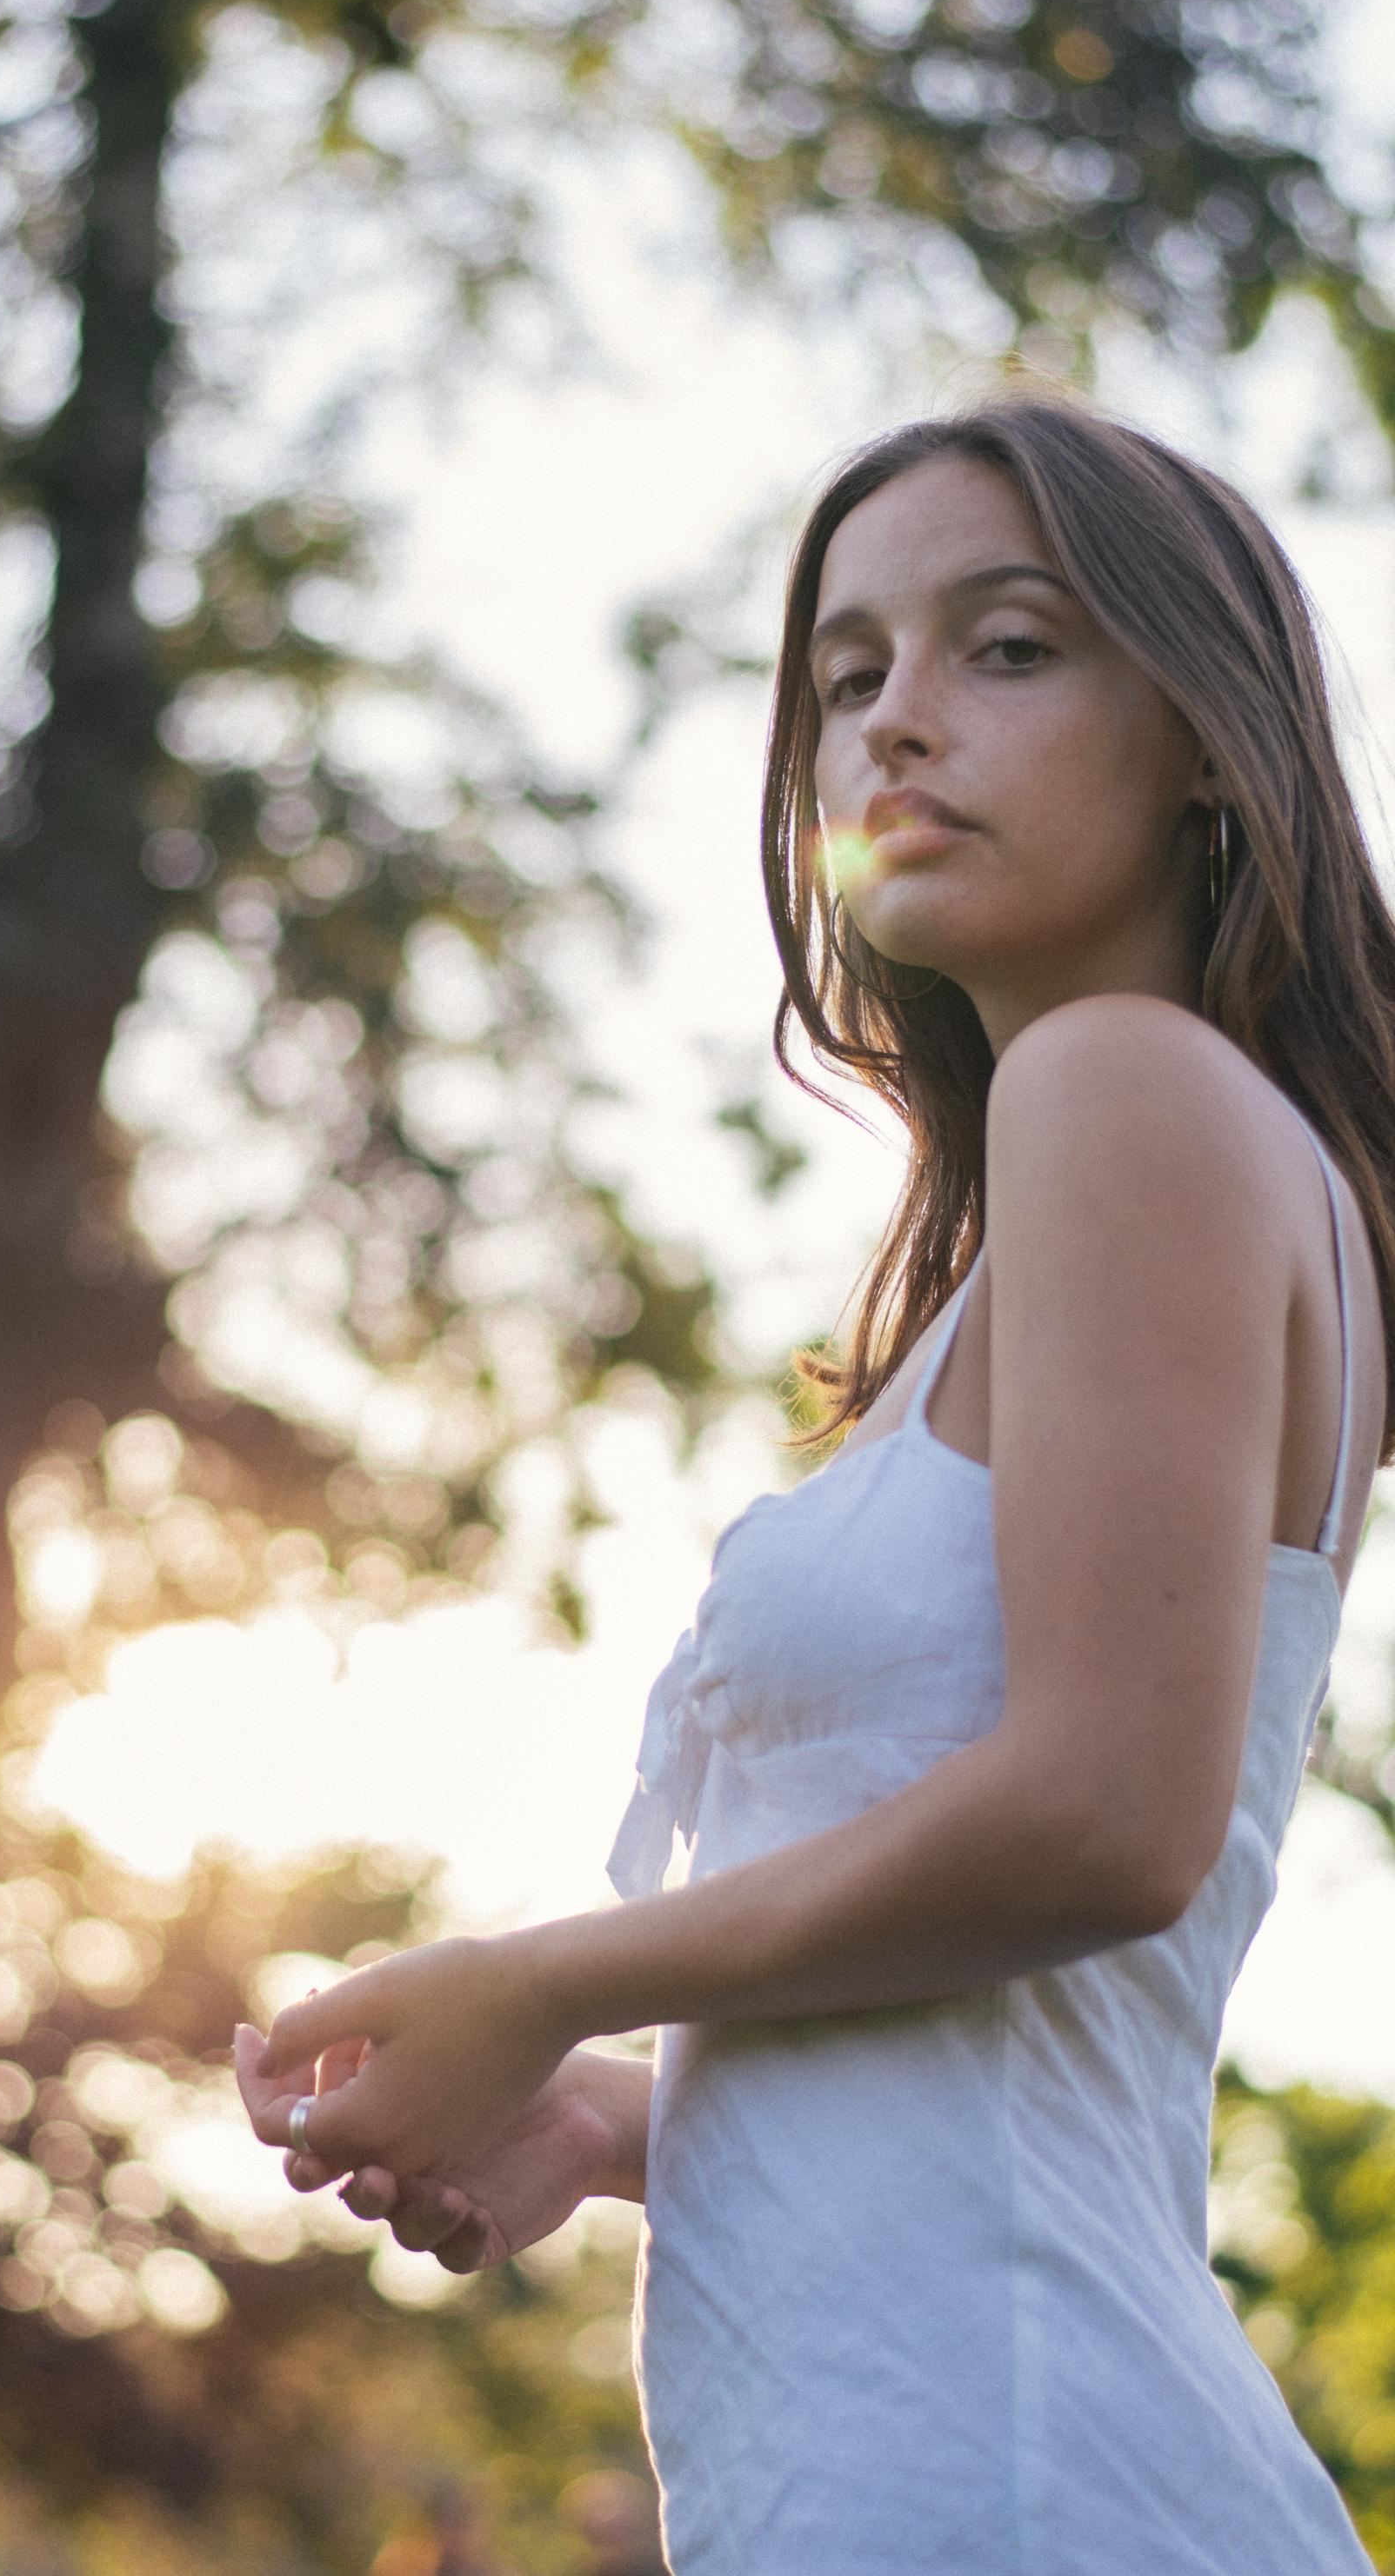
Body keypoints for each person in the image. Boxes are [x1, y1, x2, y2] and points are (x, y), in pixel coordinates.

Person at [235, 391, 1395, 2574]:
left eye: (1008, 647)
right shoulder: (1134, 1173)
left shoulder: (1122, 1088)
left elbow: (1099, 1822)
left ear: (1210, 737)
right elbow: (1013, 2061)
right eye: (847, 676)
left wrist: (546, 1977)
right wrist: (610, 2121)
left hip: (1009, 2478)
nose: (896, 724)